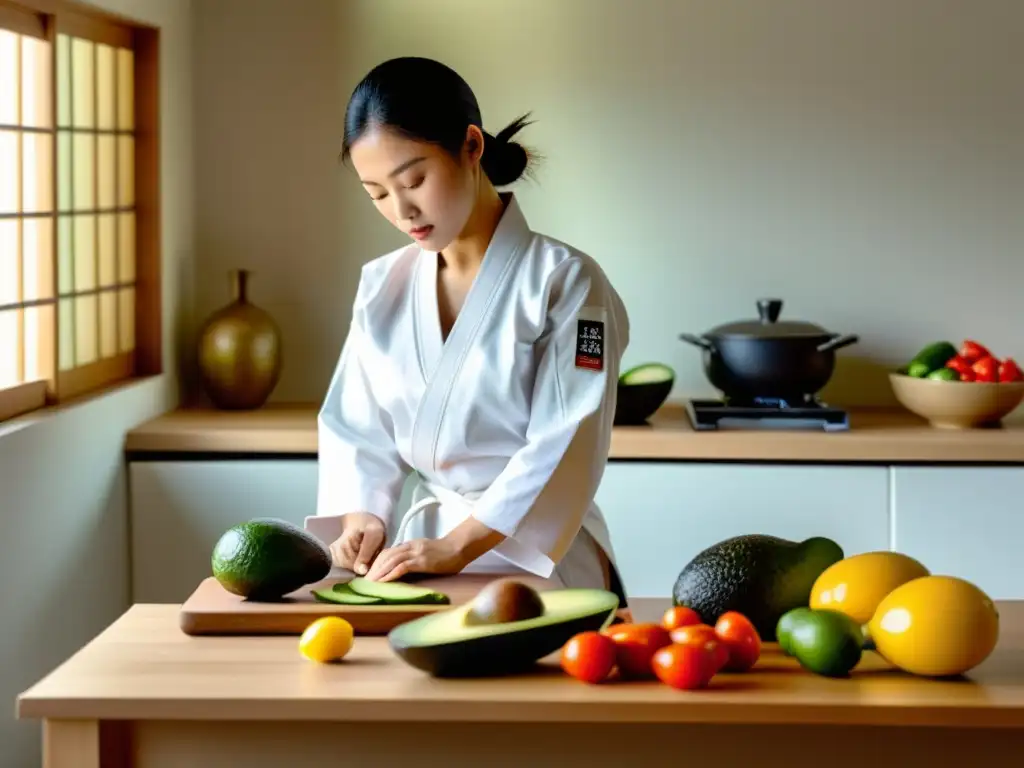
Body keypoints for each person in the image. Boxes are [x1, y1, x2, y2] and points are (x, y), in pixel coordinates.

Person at [304, 56, 630, 601]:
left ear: (471, 146)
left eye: (415, 180)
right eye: (377, 194)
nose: (403, 210)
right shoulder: (382, 285)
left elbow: (567, 440)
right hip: (422, 558)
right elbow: (356, 426)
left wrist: (462, 544)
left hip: (539, 562)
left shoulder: (566, 281)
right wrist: (363, 517)